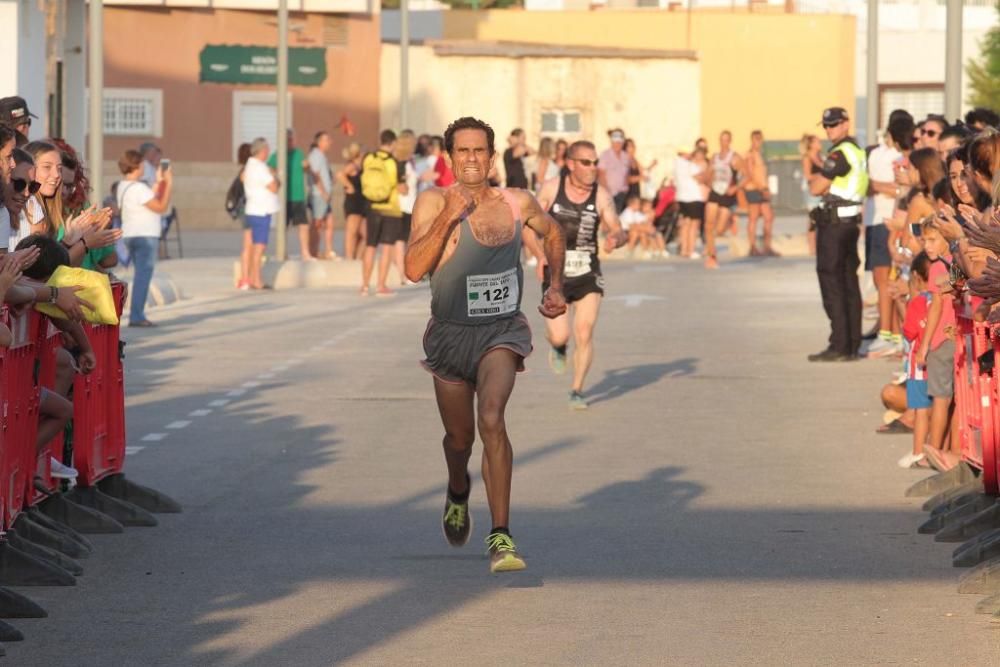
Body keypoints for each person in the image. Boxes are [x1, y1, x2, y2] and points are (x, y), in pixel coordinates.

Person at [403, 116, 567, 573]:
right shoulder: (432, 201)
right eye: (463, 151)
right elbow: (414, 268)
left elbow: (552, 232)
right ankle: (458, 488)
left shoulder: (516, 202)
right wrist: (449, 219)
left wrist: (555, 286)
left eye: (480, 151)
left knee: (492, 417)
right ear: (450, 157)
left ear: (492, 157)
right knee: (460, 440)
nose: (472, 159)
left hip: (502, 331)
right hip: (450, 335)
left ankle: (501, 535)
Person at [535, 140, 626, 410]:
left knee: (584, 332)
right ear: (571, 164)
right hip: (555, 274)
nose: (592, 167)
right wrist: (539, 253)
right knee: (561, 335)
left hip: (588, 271)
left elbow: (617, 229)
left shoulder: (601, 196)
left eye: (595, 162)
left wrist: (615, 239)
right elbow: (531, 223)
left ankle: (577, 389)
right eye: (586, 162)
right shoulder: (551, 188)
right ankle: (559, 347)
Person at [807, 107, 869, 362]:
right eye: (826, 126)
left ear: (845, 124)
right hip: (850, 223)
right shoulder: (856, 150)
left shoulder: (839, 153)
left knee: (832, 283)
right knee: (848, 284)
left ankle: (839, 344)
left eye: (834, 125)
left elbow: (816, 187)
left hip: (835, 226)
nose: (829, 130)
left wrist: (819, 181)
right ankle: (852, 344)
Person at [117, 149, 173, 326]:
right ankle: (137, 316)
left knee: (139, 274)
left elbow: (149, 197)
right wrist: (169, 184)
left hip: (131, 234)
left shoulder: (123, 185)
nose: (144, 167)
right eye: (142, 164)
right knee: (143, 276)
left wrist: (158, 183)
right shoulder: (140, 188)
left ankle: (136, 313)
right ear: (136, 166)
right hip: (145, 235)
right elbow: (161, 206)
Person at [863, 126, 904, 358]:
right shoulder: (876, 154)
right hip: (873, 221)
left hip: (887, 221)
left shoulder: (896, 158)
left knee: (888, 279)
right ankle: (887, 331)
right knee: (881, 280)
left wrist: (874, 185)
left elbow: (898, 190)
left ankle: (889, 334)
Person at [897, 251, 933, 469]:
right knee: (940, 407)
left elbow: (909, 332)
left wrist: (903, 303)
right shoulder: (945, 299)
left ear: (917, 278)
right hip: (939, 360)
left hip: (919, 365)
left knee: (921, 410)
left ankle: (918, 451)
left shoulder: (920, 301)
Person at [360, 129, 404, 297]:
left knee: (370, 245)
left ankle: (364, 286)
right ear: (393, 143)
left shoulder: (369, 158)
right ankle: (380, 286)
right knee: (387, 248)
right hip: (390, 209)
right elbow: (401, 187)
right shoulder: (395, 162)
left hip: (371, 207)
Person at [240, 138, 279, 291]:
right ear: (262, 151)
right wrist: (273, 175)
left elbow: (242, 178)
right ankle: (256, 279)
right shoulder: (261, 167)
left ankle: (247, 278)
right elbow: (274, 187)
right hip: (261, 211)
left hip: (251, 209)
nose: (268, 152)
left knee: (249, 246)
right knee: (259, 247)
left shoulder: (249, 165)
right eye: (267, 149)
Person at [268, 129, 313, 261]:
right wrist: (275, 175)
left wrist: (306, 166)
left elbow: (307, 168)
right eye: (288, 140)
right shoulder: (277, 155)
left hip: (298, 196)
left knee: (303, 225)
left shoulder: (299, 154)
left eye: (292, 139)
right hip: (284, 197)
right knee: (283, 227)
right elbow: (268, 168)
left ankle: (305, 253)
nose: (291, 142)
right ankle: (282, 252)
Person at [704, 130, 741, 269]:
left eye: (726, 140)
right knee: (708, 226)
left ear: (729, 141)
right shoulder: (715, 157)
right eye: (721, 139)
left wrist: (735, 188)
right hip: (715, 191)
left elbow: (747, 175)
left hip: (727, 193)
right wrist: (707, 180)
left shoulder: (735, 157)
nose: (723, 142)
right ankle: (712, 256)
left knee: (719, 230)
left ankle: (730, 221)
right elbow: (708, 173)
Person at [741, 130, 778, 256]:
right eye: (756, 139)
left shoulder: (759, 154)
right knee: (754, 218)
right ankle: (752, 247)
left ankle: (767, 246)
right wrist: (762, 189)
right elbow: (751, 174)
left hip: (762, 188)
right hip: (754, 189)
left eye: (760, 139)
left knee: (769, 217)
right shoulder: (750, 154)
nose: (758, 142)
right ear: (752, 140)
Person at [674, 144, 707, 260]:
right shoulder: (689, 165)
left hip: (682, 197)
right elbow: (701, 179)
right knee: (694, 224)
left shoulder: (677, 163)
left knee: (686, 224)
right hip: (693, 198)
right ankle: (691, 250)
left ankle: (684, 250)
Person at [307, 131, 337, 260]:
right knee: (317, 224)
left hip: (325, 195)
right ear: (319, 142)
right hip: (319, 195)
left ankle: (328, 250)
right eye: (326, 140)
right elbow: (315, 175)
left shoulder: (322, 156)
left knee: (329, 222)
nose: (329, 142)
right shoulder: (315, 155)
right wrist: (323, 192)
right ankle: (313, 250)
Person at [336, 143, 366, 260]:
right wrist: (349, 186)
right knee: (352, 232)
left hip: (362, 202)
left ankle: (357, 257)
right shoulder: (352, 166)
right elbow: (339, 174)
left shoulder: (360, 166)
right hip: (353, 202)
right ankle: (349, 257)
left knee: (364, 234)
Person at [801, 134, 824, 257]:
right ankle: (812, 247)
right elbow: (808, 175)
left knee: (822, 219)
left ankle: (819, 245)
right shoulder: (807, 158)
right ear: (811, 144)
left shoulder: (820, 157)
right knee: (813, 219)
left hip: (822, 190)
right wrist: (822, 175)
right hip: (812, 191)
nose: (820, 143)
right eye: (817, 141)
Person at [598, 129, 631, 212]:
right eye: (615, 142)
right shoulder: (605, 155)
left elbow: (627, 174)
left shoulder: (626, 156)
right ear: (611, 142)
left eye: (619, 142)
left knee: (619, 217)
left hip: (622, 193)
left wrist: (626, 188)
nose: (617, 144)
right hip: (609, 193)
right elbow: (601, 174)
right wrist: (606, 192)